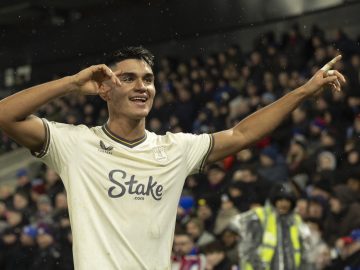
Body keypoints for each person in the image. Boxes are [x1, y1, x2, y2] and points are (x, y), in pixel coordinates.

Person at [0, 47, 345, 269]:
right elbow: (5, 115)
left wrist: (302, 90)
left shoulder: (176, 149)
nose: (142, 87)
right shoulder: (75, 144)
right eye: (129, 78)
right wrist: (72, 84)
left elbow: (243, 134)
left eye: (148, 80)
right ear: (104, 88)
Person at [229, 183, 314, 270]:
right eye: (280, 200)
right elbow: (235, 223)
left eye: (288, 201)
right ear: (274, 201)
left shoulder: (296, 221)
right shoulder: (259, 216)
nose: (284, 204)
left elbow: (306, 252)